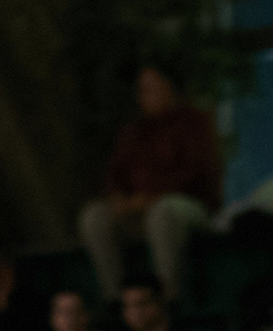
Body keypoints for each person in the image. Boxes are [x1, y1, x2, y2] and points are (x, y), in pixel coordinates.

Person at [83, 62, 222, 304]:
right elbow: (116, 173)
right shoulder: (134, 131)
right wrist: (120, 199)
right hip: (136, 209)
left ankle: (167, 298)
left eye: (153, 87)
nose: (146, 95)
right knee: (94, 216)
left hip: (183, 205)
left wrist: (151, 197)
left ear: (171, 88)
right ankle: (117, 300)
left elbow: (196, 173)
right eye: (143, 89)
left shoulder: (195, 123)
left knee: (162, 214)